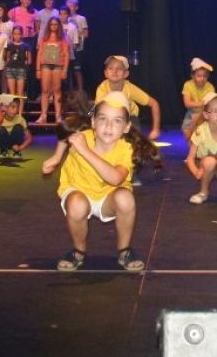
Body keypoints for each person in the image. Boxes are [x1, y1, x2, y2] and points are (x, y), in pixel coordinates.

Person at [42, 91, 145, 272]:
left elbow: (115, 178)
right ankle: (78, 252)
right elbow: (65, 134)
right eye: (103, 119)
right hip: (78, 190)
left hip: (108, 196)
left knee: (126, 198)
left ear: (126, 127)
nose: (108, 126)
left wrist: (85, 151)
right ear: (93, 122)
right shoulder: (83, 136)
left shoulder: (126, 149)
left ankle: (124, 251)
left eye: (117, 121)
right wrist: (56, 158)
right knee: (77, 204)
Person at [35, 18, 69, 122]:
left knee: (57, 90)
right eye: (51, 24)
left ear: (58, 26)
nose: (53, 26)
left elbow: (66, 55)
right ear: (49, 26)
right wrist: (38, 69)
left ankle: (58, 116)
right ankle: (43, 115)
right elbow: (39, 53)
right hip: (45, 65)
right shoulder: (44, 39)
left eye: (55, 24)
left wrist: (65, 70)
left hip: (57, 66)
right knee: (45, 90)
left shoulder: (62, 39)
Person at [180, 57, 215, 144]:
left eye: (205, 76)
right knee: (186, 132)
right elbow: (187, 104)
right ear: (193, 76)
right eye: (199, 76)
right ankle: (193, 149)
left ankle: (203, 147)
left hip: (205, 114)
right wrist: (203, 103)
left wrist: (199, 114)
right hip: (191, 112)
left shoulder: (210, 87)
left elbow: (210, 106)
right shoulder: (187, 85)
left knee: (201, 131)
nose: (202, 79)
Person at [0, 94, 32, 158]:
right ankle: (3, 150)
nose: (15, 110)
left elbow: (29, 138)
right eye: (13, 107)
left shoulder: (20, 119)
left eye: (17, 107)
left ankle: (17, 152)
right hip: (4, 142)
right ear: (4, 107)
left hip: (15, 145)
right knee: (0, 129)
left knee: (18, 127)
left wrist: (20, 147)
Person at [66, 0, 89, 92]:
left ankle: (80, 91)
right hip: (66, 49)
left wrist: (76, 35)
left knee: (77, 70)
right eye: (68, 6)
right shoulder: (64, 18)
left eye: (71, 6)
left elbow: (86, 34)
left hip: (77, 49)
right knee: (67, 71)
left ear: (76, 7)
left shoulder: (81, 18)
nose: (69, 8)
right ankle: (69, 91)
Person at [3, 25, 31, 97]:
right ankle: (13, 104)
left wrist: (25, 67)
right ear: (12, 34)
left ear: (21, 34)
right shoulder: (9, 45)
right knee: (12, 93)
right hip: (10, 69)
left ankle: (21, 105)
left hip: (21, 70)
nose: (17, 36)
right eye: (15, 34)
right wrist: (7, 66)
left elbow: (29, 60)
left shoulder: (25, 46)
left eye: (18, 34)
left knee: (20, 93)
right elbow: (7, 57)